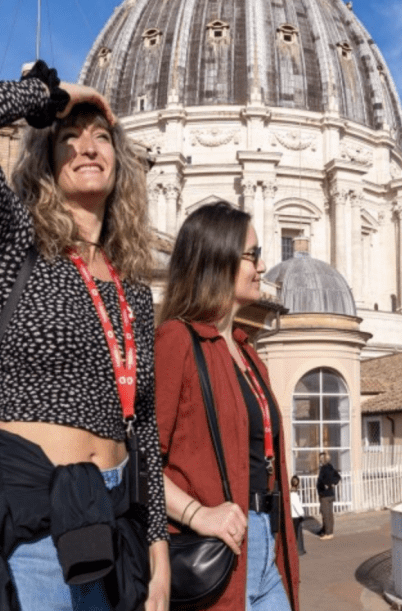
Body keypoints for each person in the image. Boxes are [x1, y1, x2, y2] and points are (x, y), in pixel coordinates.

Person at [0, 61, 169, 610]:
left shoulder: (131, 287)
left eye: (102, 138)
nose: (88, 148)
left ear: (120, 163)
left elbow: (147, 427)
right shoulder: (16, 240)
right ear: (46, 160)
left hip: (112, 523)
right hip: (30, 518)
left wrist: (158, 555)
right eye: (71, 138)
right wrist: (55, 95)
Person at [155, 202, 299, 611]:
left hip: (265, 543)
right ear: (219, 258)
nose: (263, 266)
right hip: (213, 549)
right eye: (252, 255)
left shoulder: (250, 356)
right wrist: (199, 513)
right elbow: (142, 460)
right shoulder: (176, 340)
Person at [315, 451, 341, 540]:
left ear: (323, 460)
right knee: (328, 513)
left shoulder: (324, 469)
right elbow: (338, 477)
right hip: (330, 494)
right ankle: (325, 529)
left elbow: (322, 480)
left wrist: (326, 485)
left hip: (325, 495)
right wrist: (332, 484)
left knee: (326, 514)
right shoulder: (330, 467)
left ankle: (328, 533)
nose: (320, 461)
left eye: (321, 459)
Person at [289, 476, 306, 556]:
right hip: (296, 516)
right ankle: (298, 550)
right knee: (297, 534)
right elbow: (297, 506)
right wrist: (302, 514)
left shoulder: (289, 494)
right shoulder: (294, 495)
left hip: (291, 516)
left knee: (294, 533)